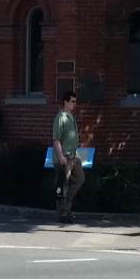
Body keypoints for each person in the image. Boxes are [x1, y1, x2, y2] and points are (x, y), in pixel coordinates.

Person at [52, 88, 84, 224]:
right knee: (62, 185)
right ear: (65, 102)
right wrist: (61, 156)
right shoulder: (61, 118)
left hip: (73, 157)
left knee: (79, 179)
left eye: (75, 101)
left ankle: (66, 208)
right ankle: (63, 213)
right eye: (72, 101)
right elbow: (56, 139)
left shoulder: (71, 117)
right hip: (64, 157)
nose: (74, 104)